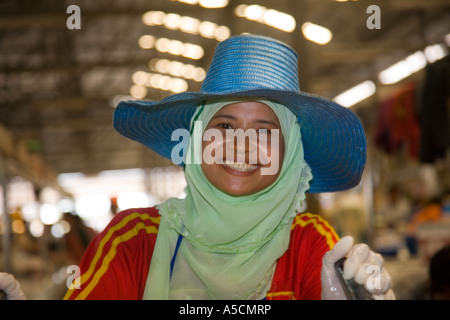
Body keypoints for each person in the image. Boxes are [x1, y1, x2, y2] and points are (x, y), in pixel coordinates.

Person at [62, 34, 394, 300]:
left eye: (264, 130)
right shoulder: (132, 242)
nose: (241, 145)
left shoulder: (311, 247)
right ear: (196, 140)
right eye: (224, 126)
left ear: (290, 151)